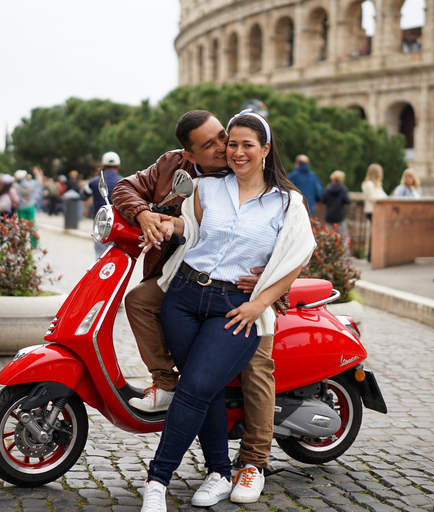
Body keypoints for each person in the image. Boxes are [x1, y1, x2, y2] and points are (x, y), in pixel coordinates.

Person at [139, 110, 314, 512]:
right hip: (183, 297)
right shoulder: (205, 187)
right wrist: (169, 227)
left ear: (265, 149)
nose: (236, 152)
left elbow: (296, 259)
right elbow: (191, 230)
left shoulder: (288, 203)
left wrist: (259, 303)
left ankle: (157, 481)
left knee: (195, 387)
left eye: (246, 145)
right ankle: (219, 470)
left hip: (235, 308)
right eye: (230, 144)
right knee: (208, 388)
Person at [81, 151, 121, 257]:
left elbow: (83, 195)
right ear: (118, 167)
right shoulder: (123, 182)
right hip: (117, 224)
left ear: (103, 166)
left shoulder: (95, 181)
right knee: (115, 254)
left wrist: (96, 176)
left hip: (100, 223)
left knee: (100, 256)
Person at [361, 164, 387, 261]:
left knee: (376, 233)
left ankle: (374, 255)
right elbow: (372, 197)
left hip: (377, 212)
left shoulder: (377, 185)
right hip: (371, 211)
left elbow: (384, 196)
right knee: (375, 234)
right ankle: (371, 256)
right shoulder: (369, 184)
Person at [323, 170, 351, 240]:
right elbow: (347, 201)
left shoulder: (328, 188)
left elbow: (324, 200)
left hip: (329, 215)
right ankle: (344, 250)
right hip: (339, 215)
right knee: (343, 236)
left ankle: (328, 250)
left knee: (328, 236)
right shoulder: (343, 189)